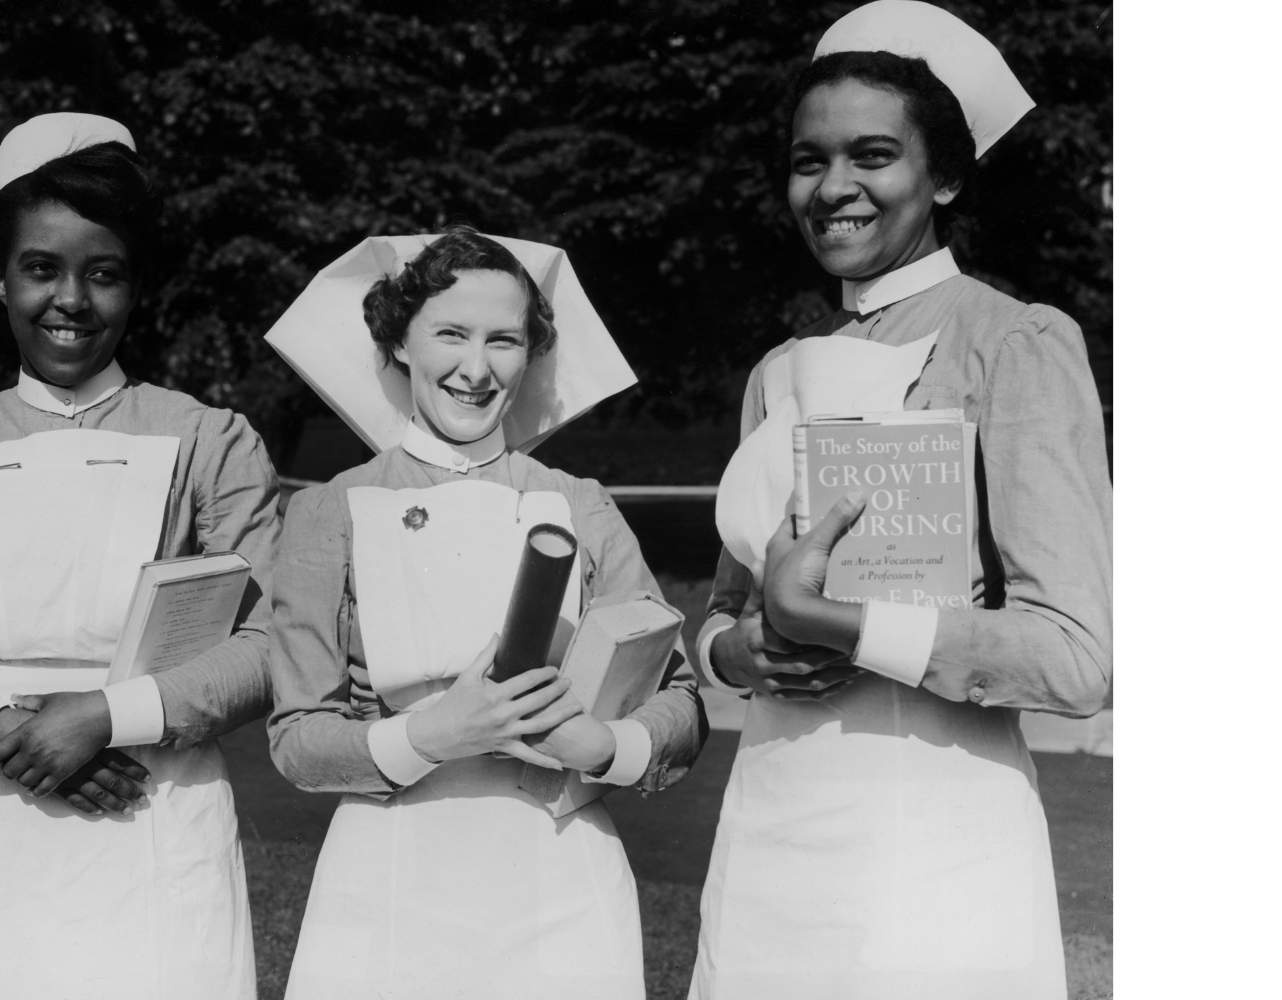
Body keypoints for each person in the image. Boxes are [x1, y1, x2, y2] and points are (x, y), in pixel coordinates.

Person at [687, 3, 1113, 998]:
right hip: (772, 836)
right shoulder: (777, 372)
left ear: (946, 176)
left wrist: (834, 620)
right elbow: (720, 613)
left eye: (872, 155)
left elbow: (1077, 657)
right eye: (808, 159)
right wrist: (738, 650)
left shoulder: (1015, 343)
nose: (833, 187)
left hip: (935, 851)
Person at [0, 113, 278, 999]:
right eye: (41, 269)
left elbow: (272, 642)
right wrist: (6, 730)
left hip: (149, 804)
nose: (72, 302)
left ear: (137, 287)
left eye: (104, 274)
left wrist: (104, 716)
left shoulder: (206, 438)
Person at [261, 227, 707, 1000]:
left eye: (504, 339)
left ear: (531, 353)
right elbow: (297, 739)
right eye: (451, 333)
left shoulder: (580, 503)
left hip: (561, 868)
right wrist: (432, 734)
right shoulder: (333, 509)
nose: (476, 367)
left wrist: (601, 744)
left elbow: (680, 698)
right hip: (392, 868)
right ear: (400, 340)